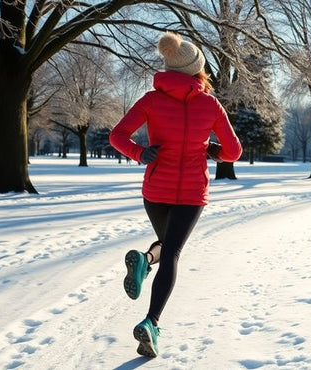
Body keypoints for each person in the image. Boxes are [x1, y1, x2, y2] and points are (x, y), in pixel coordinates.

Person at [109, 31, 242, 358]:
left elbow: (117, 136)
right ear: (198, 69)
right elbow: (235, 151)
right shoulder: (211, 105)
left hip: (156, 189)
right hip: (192, 194)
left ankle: (143, 261)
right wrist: (214, 152)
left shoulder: (151, 100)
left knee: (166, 244)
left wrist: (140, 154)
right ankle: (151, 322)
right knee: (173, 253)